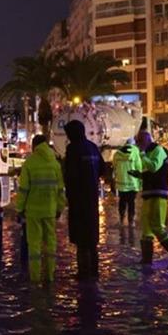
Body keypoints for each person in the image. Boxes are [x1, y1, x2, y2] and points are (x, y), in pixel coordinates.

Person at [130, 120, 168, 270]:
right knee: (146, 228)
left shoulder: (158, 150)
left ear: (147, 140)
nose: (138, 144)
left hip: (158, 194)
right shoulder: (150, 152)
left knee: (157, 226)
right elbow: (151, 171)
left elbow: (154, 167)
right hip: (149, 193)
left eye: (140, 142)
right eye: (138, 142)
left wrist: (142, 154)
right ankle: (147, 260)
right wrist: (139, 175)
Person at [16, 134, 66, 286]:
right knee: (50, 243)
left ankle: (35, 278)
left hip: (33, 212)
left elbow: (23, 189)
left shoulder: (29, 163)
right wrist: (59, 208)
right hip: (50, 211)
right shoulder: (54, 163)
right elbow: (60, 189)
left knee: (34, 246)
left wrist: (20, 209)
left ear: (34, 146)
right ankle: (50, 276)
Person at [62, 120, 104, 280]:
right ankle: (94, 271)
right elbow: (102, 169)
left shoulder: (73, 149)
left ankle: (83, 273)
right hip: (92, 199)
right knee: (92, 239)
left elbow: (70, 175)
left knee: (81, 239)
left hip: (78, 200)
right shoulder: (92, 147)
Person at [112, 137, 142, 227]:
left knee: (122, 201)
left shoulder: (117, 153)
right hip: (132, 182)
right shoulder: (135, 151)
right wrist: (140, 179)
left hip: (121, 182)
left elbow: (114, 166)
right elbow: (138, 166)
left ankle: (121, 220)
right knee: (131, 202)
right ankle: (131, 221)